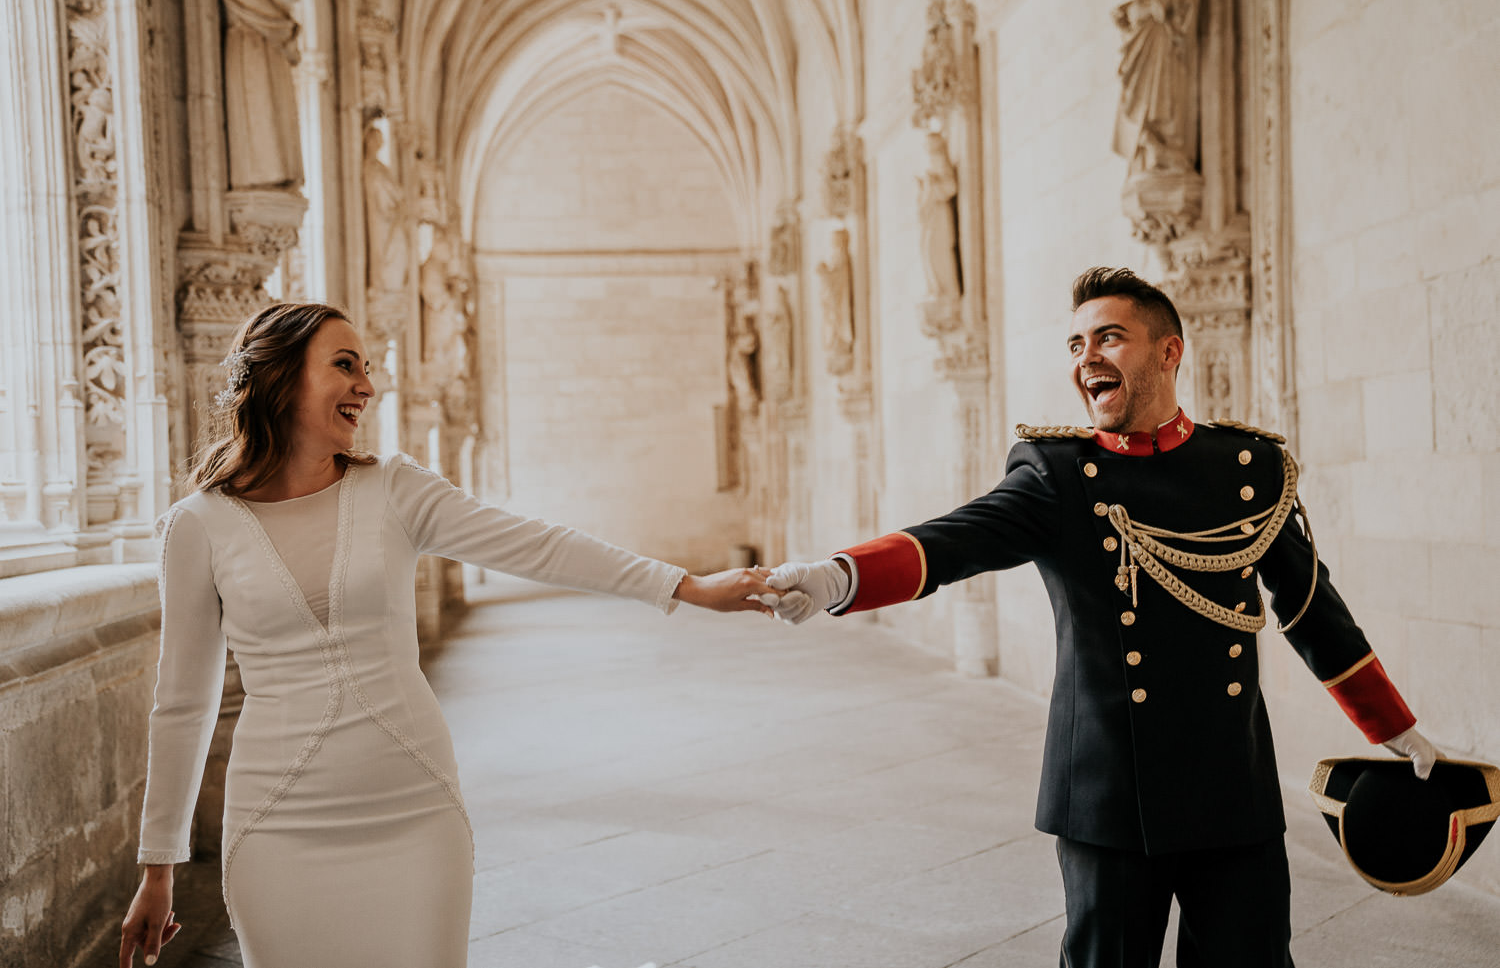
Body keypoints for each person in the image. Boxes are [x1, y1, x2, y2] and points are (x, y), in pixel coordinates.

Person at [764, 267, 1439, 968]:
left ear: (1169, 353)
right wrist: (839, 576)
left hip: (1231, 787)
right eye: (1076, 343)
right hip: (1109, 793)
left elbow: (1309, 607)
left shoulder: (1249, 466)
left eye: (1109, 338)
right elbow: (953, 539)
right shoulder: (1058, 476)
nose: (1086, 357)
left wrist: (1394, 725)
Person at [118, 302, 777, 968]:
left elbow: (538, 546)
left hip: (413, 808)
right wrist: (158, 867)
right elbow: (183, 703)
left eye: (367, 369)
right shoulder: (197, 525)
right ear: (280, 377)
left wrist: (685, 585)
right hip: (276, 825)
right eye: (344, 365)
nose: (367, 387)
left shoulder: (395, 489)